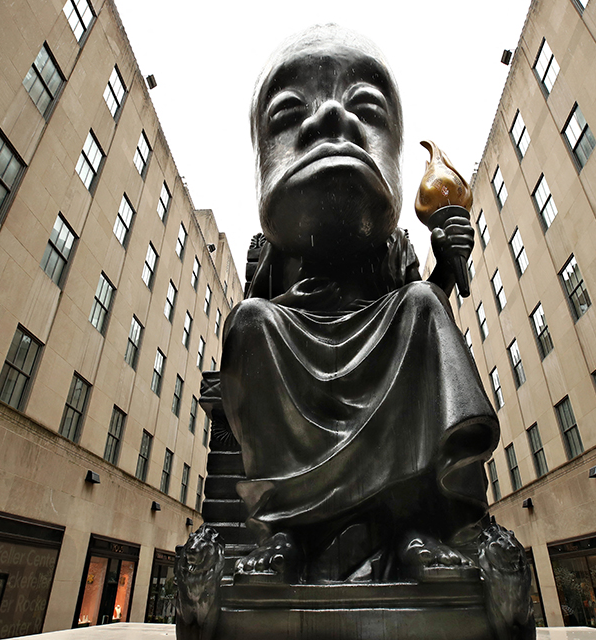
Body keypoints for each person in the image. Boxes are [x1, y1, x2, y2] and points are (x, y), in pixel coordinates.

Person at [219, 25, 500, 582]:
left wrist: (445, 263)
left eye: (364, 106)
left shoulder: (394, 248)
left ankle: (422, 524)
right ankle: (287, 534)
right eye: (290, 110)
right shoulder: (270, 251)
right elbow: (251, 337)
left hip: (382, 329)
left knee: (420, 303)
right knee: (250, 322)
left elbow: (430, 328)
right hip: (298, 338)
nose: (330, 119)